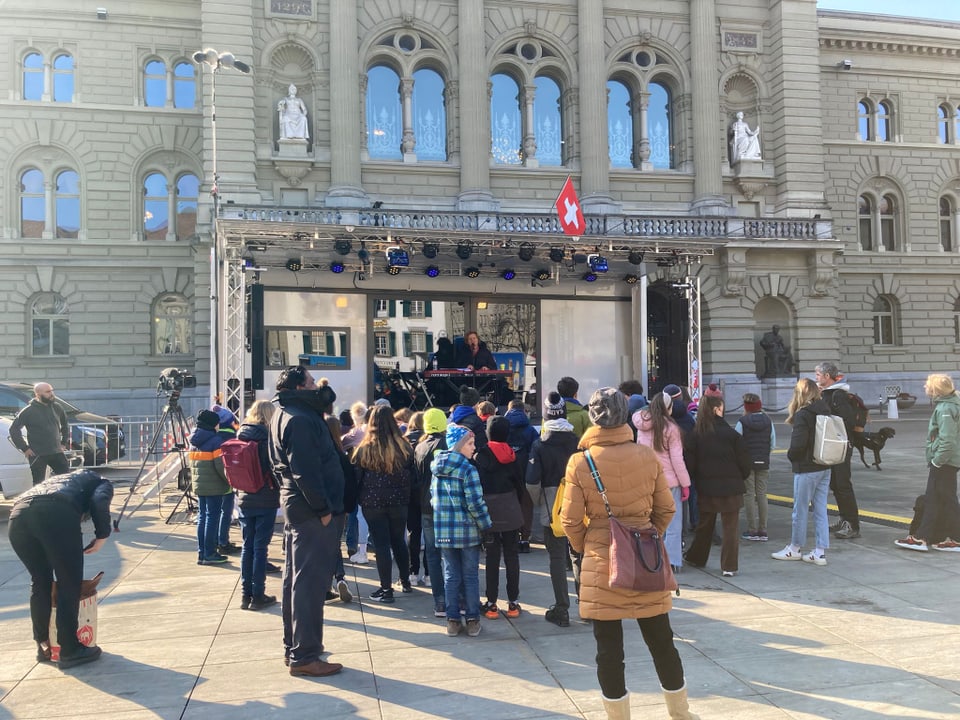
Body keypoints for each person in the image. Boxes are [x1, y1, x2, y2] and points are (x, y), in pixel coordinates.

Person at [561, 388, 699, 720]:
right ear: (625, 415)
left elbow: (568, 520)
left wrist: (586, 546)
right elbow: (666, 509)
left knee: (608, 650)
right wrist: (647, 535)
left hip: (601, 559)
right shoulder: (645, 455)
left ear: (593, 417)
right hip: (645, 557)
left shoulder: (581, 461)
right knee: (662, 642)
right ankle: (680, 713)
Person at [269, 365, 344, 677]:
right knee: (310, 585)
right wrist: (323, 508)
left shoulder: (286, 414)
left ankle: (297, 647)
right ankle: (305, 655)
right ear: (299, 387)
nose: (317, 386)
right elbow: (304, 471)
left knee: (297, 582)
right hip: (312, 512)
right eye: (311, 382)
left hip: (301, 509)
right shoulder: (298, 419)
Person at [8, 469, 112, 668]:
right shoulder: (101, 481)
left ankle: (43, 645)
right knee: (68, 582)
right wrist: (101, 536)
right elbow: (99, 502)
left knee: (40, 581)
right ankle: (70, 649)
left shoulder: (62, 480)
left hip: (19, 516)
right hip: (55, 514)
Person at [431, 424, 492, 638]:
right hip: (467, 532)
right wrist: (486, 525)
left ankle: (453, 620)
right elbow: (475, 503)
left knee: (450, 576)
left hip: (444, 531)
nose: (474, 447)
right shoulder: (468, 469)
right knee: (470, 576)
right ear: (459, 445)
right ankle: (473, 619)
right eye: (470, 443)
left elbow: (433, 499)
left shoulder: (436, 468)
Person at [683, 394, 752, 577]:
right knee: (730, 528)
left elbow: (690, 464)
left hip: (706, 488)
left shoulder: (696, 434)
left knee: (705, 525)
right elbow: (745, 464)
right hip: (732, 488)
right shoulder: (732, 435)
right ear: (717, 409)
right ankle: (729, 566)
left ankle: (696, 557)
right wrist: (740, 477)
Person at [526, 392, 579, 627]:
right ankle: (587, 605)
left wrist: (540, 502)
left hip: (551, 507)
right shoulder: (577, 441)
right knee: (580, 556)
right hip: (579, 504)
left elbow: (531, 481)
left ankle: (562, 608)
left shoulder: (540, 445)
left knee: (556, 558)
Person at [353, 404, 414, 603]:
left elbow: (357, 477)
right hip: (399, 501)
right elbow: (412, 473)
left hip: (373, 502)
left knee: (381, 544)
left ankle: (386, 589)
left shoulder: (365, 448)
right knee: (399, 540)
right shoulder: (404, 446)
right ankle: (405, 581)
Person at [895, 373, 960, 553]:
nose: (924, 387)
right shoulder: (951, 404)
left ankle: (921, 538)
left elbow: (947, 439)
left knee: (934, 499)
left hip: (944, 462)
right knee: (946, 499)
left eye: (927, 385)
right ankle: (954, 538)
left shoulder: (945, 408)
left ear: (935, 389)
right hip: (950, 461)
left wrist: (937, 461)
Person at [771, 379, 833, 566]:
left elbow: (798, 445)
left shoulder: (803, 414)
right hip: (824, 464)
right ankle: (820, 552)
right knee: (821, 509)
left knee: (800, 509)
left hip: (806, 467)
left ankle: (795, 548)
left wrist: (792, 456)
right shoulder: (825, 410)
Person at [634, 390, 692, 573]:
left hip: (646, 479)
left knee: (651, 522)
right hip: (669, 482)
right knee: (673, 523)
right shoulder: (671, 428)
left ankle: (651, 559)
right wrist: (686, 483)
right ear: (668, 407)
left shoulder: (640, 424)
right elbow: (677, 459)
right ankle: (672, 561)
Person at [475, 416, 525, 620]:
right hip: (511, 509)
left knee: (492, 558)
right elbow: (520, 485)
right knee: (512, 556)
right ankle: (513, 603)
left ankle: (491, 604)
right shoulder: (513, 455)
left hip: (489, 512)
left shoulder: (481, 456)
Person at [235, 400, 280, 610]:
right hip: (266, 498)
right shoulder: (267, 438)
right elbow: (275, 468)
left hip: (245, 496)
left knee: (247, 546)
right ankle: (258, 594)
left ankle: (246, 595)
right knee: (261, 547)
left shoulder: (241, 435)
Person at [815, 362, 860, 539]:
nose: (816, 377)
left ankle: (852, 524)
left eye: (818, 374)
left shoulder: (837, 395)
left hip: (840, 445)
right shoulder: (827, 394)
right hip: (832, 444)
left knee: (842, 484)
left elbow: (846, 420)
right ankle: (844, 519)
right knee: (835, 484)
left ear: (827, 376)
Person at [414, 407, 448, 617]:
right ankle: (458, 599)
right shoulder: (448, 445)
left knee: (433, 554)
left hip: (426, 506)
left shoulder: (419, 447)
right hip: (447, 506)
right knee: (452, 554)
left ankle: (440, 602)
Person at [189, 409, 231, 565]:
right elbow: (221, 467)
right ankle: (210, 553)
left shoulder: (194, 440)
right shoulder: (216, 441)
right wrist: (230, 482)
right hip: (214, 486)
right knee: (212, 518)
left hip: (200, 485)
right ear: (213, 424)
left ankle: (202, 553)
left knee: (202, 517)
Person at [9, 382, 70, 485]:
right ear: (38, 394)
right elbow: (14, 429)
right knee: (38, 484)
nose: (51, 394)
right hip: (37, 454)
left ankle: (64, 500)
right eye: (47, 392)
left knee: (66, 480)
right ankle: (38, 501)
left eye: (51, 391)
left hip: (56, 452)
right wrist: (24, 448)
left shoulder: (57, 407)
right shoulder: (28, 411)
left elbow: (65, 426)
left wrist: (63, 443)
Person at [735, 393, 775, 542]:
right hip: (764, 461)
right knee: (762, 494)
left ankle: (752, 530)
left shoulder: (742, 422)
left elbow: (737, 443)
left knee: (749, 495)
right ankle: (763, 529)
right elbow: (773, 442)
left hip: (747, 463)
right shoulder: (768, 421)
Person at [505, 398, 539, 551]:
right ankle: (525, 539)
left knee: (510, 505)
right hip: (525, 472)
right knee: (526, 505)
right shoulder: (530, 430)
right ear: (523, 411)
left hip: (507, 473)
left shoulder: (503, 426)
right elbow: (535, 451)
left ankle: (511, 538)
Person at [212, 405, 240, 556]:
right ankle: (223, 541)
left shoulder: (212, 437)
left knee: (213, 513)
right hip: (227, 480)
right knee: (225, 511)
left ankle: (217, 541)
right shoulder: (232, 438)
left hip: (213, 481)